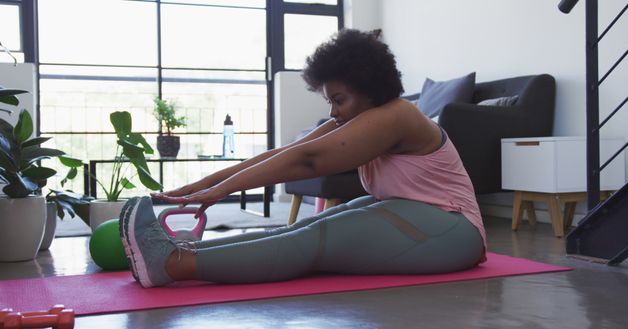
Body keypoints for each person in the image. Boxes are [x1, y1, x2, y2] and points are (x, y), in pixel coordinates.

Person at [120, 29, 486, 288]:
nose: (333, 111)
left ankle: (171, 265)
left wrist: (218, 192)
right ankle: (177, 251)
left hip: (453, 230)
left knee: (315, 239)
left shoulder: (398, 115)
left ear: (369, 87)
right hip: (414, 216)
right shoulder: (355, 120)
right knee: (296, 229)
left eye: (339, 99)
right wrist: (203, 185)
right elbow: (285, 153)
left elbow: (308, 160)